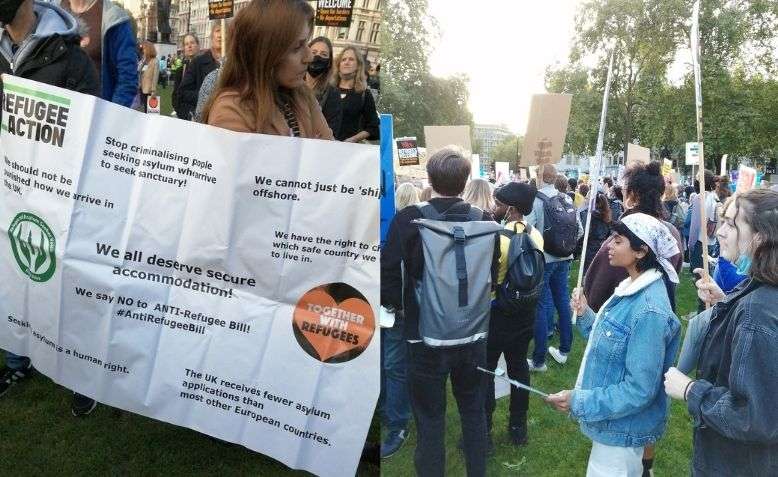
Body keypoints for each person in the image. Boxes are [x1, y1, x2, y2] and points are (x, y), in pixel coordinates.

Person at [0, 0, 99, 398]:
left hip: (60, 193)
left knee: (67, 279)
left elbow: (92, 129)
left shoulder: (71, 58)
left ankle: (81, 373)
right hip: (10, 190)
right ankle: (16, 359)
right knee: (11, 274)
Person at [381, 148, 498, 477]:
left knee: (430, 419)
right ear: (464, 183)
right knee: (473, 412)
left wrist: (400, 309)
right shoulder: (483, 220)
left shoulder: (410, 219)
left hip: (423, 336)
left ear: (429, 179)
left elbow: (389, 272)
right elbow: (490, 269)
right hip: (473, 332)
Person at [548, 214, 681, 477]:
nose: (609, 246)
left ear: (641, 251)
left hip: (622, 431)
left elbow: (639, 390)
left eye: (618, 241)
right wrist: (586, 314)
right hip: (616, 424)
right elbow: (614, 344)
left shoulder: (649, 311)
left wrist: (580, 401)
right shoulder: (632, 287)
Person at [664, 189, 778, 476]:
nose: (720, 232)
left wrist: (690, 390)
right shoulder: (758, 292)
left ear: (760, 238)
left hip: (738, 463)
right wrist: (725, 304)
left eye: (731, 224)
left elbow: (754, 416)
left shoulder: (758, 311)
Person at [203, 0, 332, 140]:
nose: (309, 57)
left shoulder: (302, 94)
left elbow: (328, 150)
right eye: (297, 47)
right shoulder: (231, 110)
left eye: (306, 43)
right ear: (263, 53)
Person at [484, 182, 543, 447]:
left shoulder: (497, 237)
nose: (495, 207)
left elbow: (490, 279)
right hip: (526, 311)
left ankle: (483, 426)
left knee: (485, 369)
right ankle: (518, 426)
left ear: (511, 209)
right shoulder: (537, 235)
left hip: (497, 312)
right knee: (519, 366)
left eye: (499, 204)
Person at [584, 161, 684, 313]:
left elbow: (594, 291)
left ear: (632, 194)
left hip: (622, 321)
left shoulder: (625, 235)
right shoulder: (672, 233)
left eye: (624, 189)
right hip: (661, 313)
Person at [526, 163, 583, 371]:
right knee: (562, 300)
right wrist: (566, 247)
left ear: (540, 176)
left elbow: (527, 230)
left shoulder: (536, 199)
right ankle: (564, 350)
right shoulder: (567, 198)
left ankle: (539, 360)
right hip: (564, 257)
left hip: (544, 258)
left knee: (541, 306)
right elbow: (579, 230)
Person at [379, 182, 419, 459]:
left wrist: (392, 303)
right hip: (410, 310)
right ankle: (398, 416)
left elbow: (390, 268)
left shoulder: (400, 224)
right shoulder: (415, 224)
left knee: (395, 365)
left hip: (401, 311)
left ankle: (398, 422)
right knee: (397, 365)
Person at [56, 0, 138, 108]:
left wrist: (111, 115)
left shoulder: (114, 18)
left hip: (95, 114)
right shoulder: (51, 12)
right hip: (56, 112)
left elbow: (127, 77)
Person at [331, 46, 379, 142]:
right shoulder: (328, 90)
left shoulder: (364, 94)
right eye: (343, 59)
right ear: (339, 64)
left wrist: (353, 139)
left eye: (351, 59)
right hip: (322, 145)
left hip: (348, 150)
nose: (346, 62)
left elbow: (373, 126)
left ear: (358, 65)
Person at [687, 169, 719, 311]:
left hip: (700, 242)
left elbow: (694, 226)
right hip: (711, 243)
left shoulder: (700, 197)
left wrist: (690, 245)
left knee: (700, 280)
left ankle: (702, 311)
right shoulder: (714, 196)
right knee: (707, 278)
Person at [178, 22, 223, 120]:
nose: (221, 35)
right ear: (211, 36)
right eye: (218, 31)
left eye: (225, 31)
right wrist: (206, 97)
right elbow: (183, 92)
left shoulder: (236, 64)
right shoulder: (198, 63)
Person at [305, 36, 342, 137]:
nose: (317, 57)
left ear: (329, 62)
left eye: (323, 54)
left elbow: (332, 131)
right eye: (314, 52)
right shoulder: (292, 84)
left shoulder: (332, 93)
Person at [579, 192, 612, 275]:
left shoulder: (591, 215)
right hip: (602, 245)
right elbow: (609, 232)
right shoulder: (607, 215)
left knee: (588, 272)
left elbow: (587, 232)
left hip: (591, 246)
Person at [172, 33, 200, 117]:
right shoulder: (180, 71)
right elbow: (175, 95)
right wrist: (180, 110)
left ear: (198, 46)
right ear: (184, 48)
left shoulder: (204, 68)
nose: (189, 46)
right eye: (186, 44)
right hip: (183, 115)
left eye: (192, 43)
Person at [138, 40, 158, 113]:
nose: (143, 50)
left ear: (149, 49)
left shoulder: (155, 61)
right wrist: (143, 60)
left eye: (144, 48)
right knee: (143, 109)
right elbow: (138, 69)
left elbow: (155, 77)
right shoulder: (144, 60)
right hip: (141, 88)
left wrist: (153, 90)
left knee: (150, 111)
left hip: (149, 90)